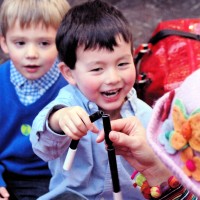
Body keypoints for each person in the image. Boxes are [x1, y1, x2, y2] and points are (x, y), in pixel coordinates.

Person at [30, 0, 172, 199]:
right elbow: (43, 148)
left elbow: (166, 165)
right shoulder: (67, 105)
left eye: (123, 63)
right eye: (97, 69)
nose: (113, 78)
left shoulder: (144, 114)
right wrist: (59, 121)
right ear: (69, 73)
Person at [0, 0, 70, 199]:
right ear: (4, 42)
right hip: (4, 173)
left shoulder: (71, 86)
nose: (31, 54)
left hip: (52, 176)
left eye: (44, 43)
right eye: (20, 43)